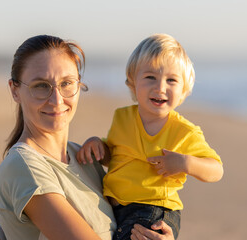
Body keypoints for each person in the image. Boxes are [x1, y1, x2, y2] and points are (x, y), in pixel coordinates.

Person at [0, 34, 175, 240]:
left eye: (67, 83)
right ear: (15, 90)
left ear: (79, 85)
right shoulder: (23, 166)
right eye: (41, 86)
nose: (57, 99)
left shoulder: (84, 158)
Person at [77, 33, 224, 240]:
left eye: (171, 80)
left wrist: (184, 162)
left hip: (154, 209)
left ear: (183, 91)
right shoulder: (123, 117)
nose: (160, 87)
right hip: (116, 206)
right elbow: (116, 157)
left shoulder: (184, 131)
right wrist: (98, 147)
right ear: (133, 83)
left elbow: (216, 169)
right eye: (150, 77)